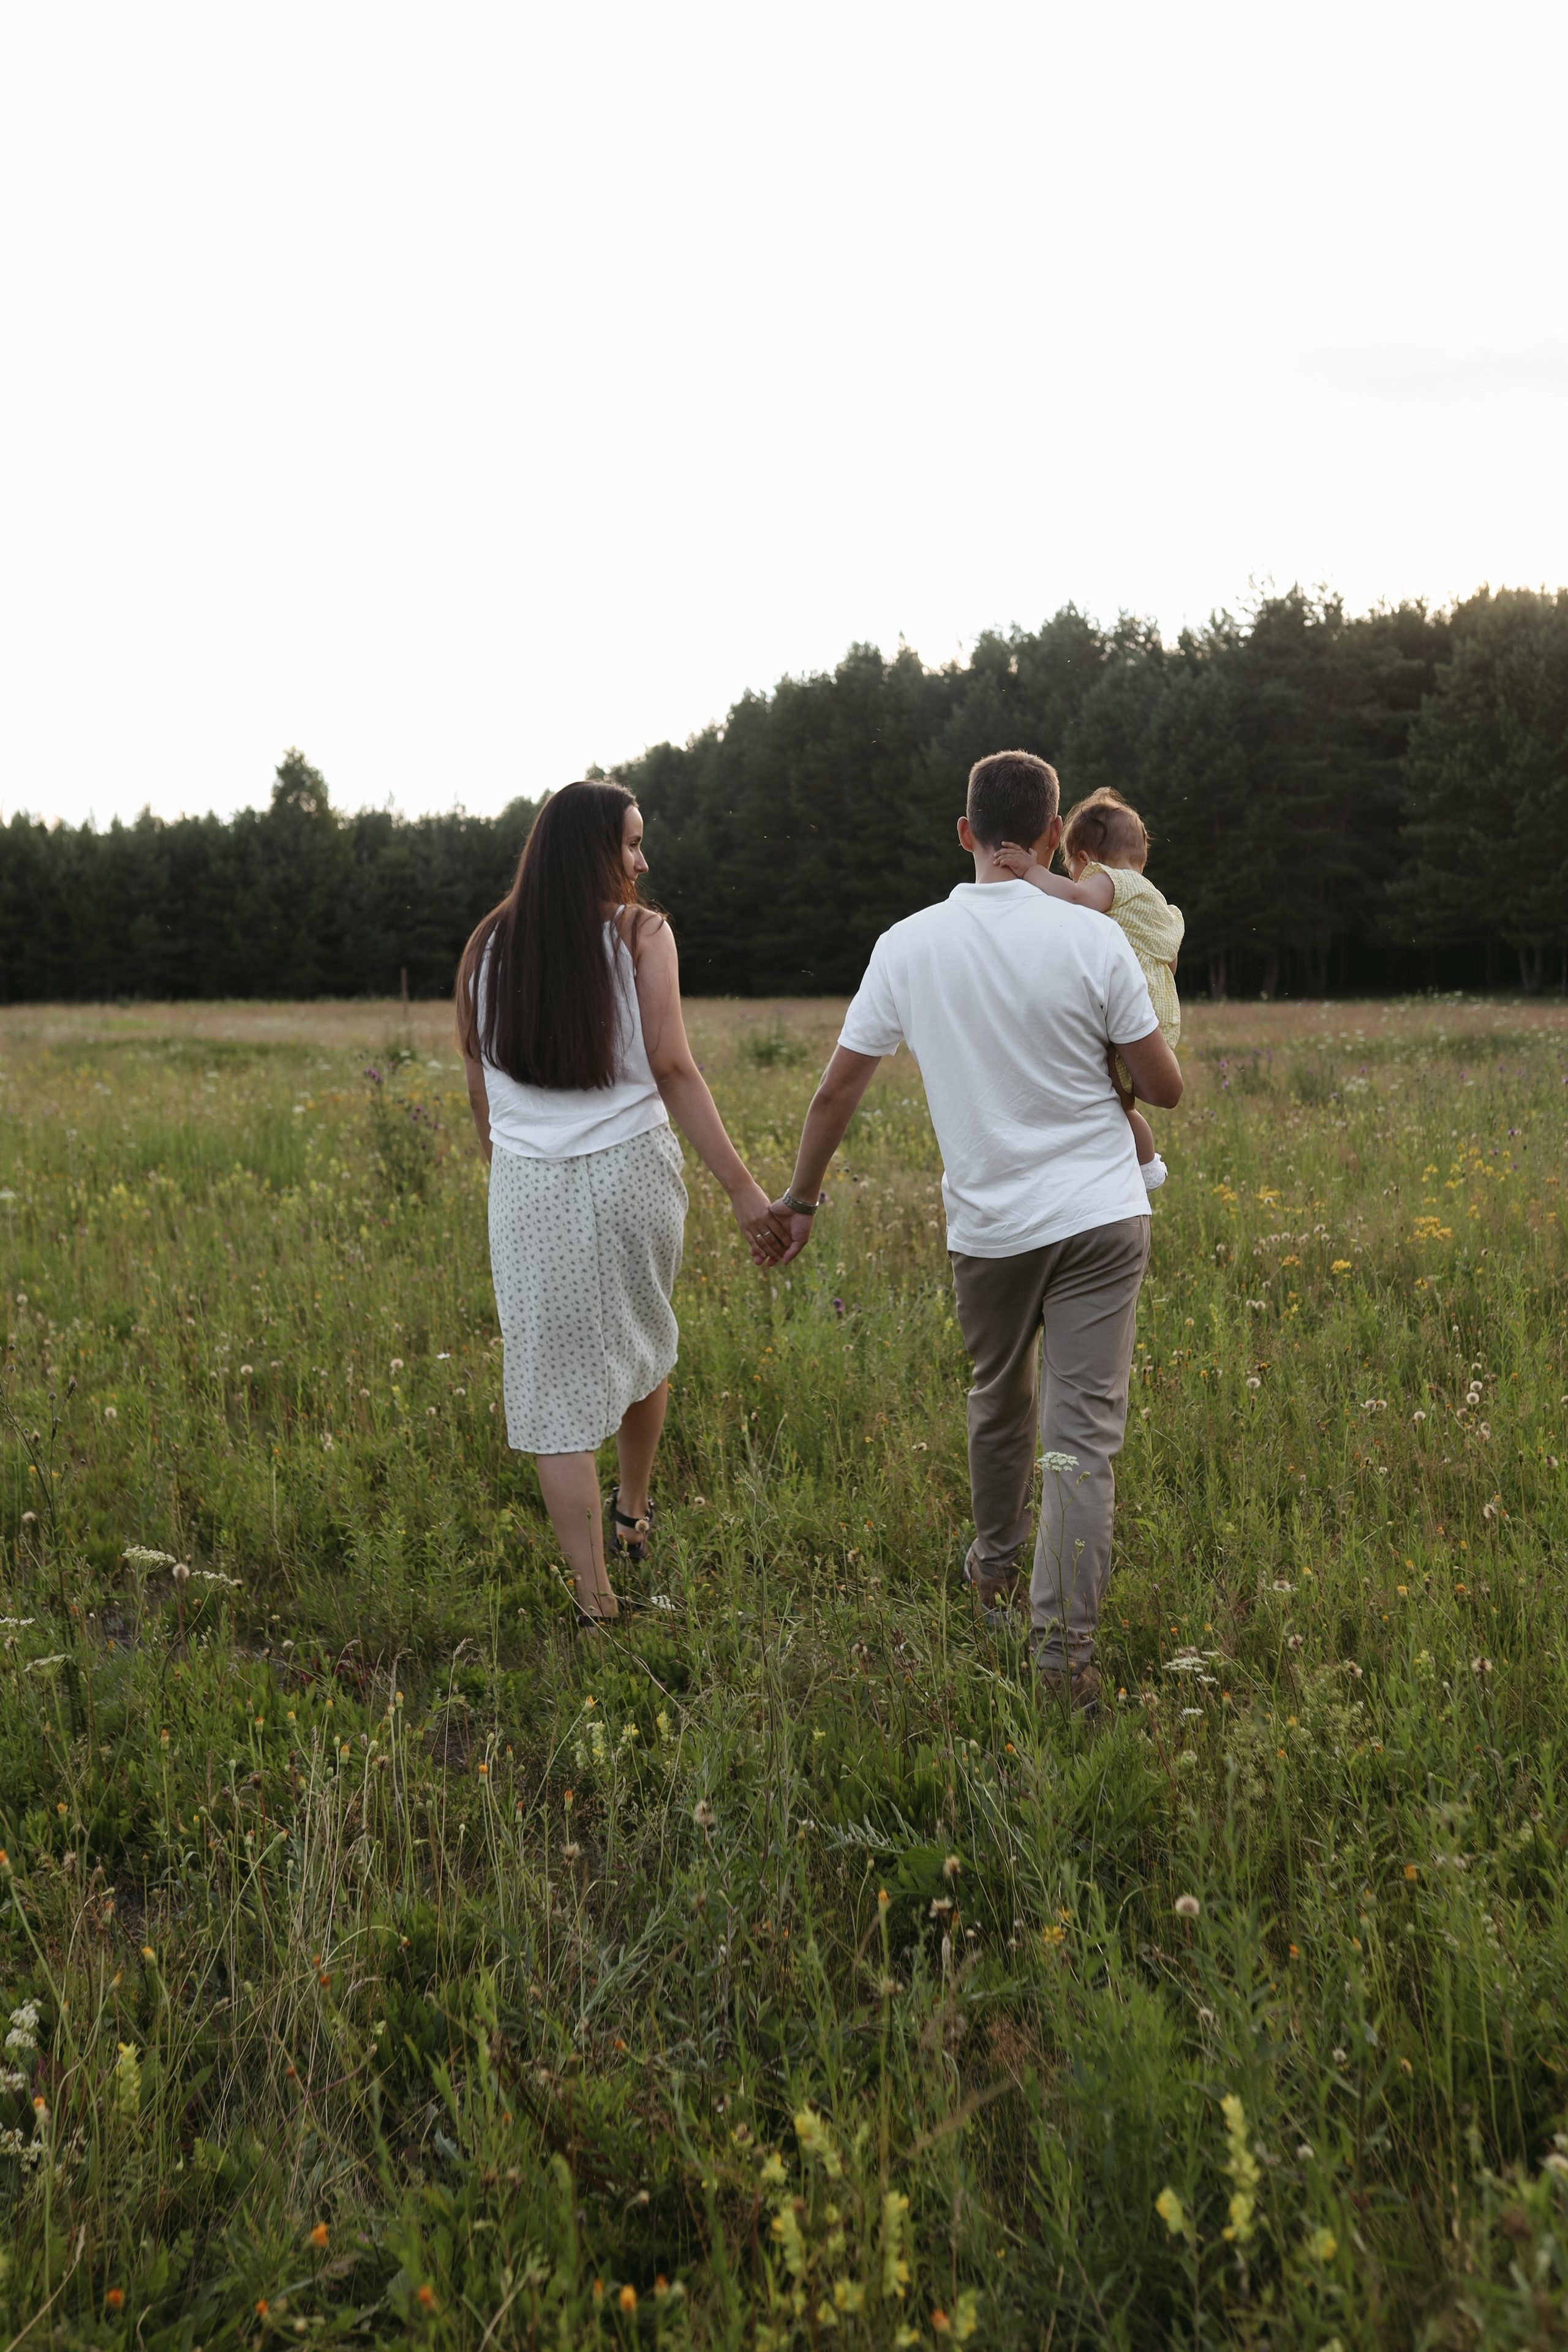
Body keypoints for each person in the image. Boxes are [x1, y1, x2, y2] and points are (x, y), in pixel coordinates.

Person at [769, 750, 1182, 1711]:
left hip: (991, 1228)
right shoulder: (1094, 941)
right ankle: (1063, 1662)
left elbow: (838, 1089)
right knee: (1083, 1442)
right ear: (1053, 839)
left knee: (1000, 1401)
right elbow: (1163, 1087)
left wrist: (800, 1200)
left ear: (964, 834)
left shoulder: (907, 945)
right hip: (1101, 1216)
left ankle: (994, 1576)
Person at [456, 780, 782, 1626]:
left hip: (526, 1186)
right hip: (632, 1172)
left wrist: (515, 1164)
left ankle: (596, 1599)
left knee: (553, 1392)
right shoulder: (643, 934)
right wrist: (745, 1192)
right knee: (646, 1339)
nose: (643, 861)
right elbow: (673, 1067)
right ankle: (631, 1511)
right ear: (593, 852)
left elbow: (478, 1087)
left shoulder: (488, 944)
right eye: (631, 845)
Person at [993, 788, 1183, 1191]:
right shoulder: (1154, 897)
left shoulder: (1108, 880)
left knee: (1112, 1105)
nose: (1071, 880)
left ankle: (1145, 1166)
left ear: (1085, 859)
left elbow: (1078, 899)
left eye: (1070, 870)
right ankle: (1143, 1166)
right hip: (1159, 1015)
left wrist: (1030, 870)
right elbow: (1171, 959)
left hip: (1127, 1010)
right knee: (1121, 1104)